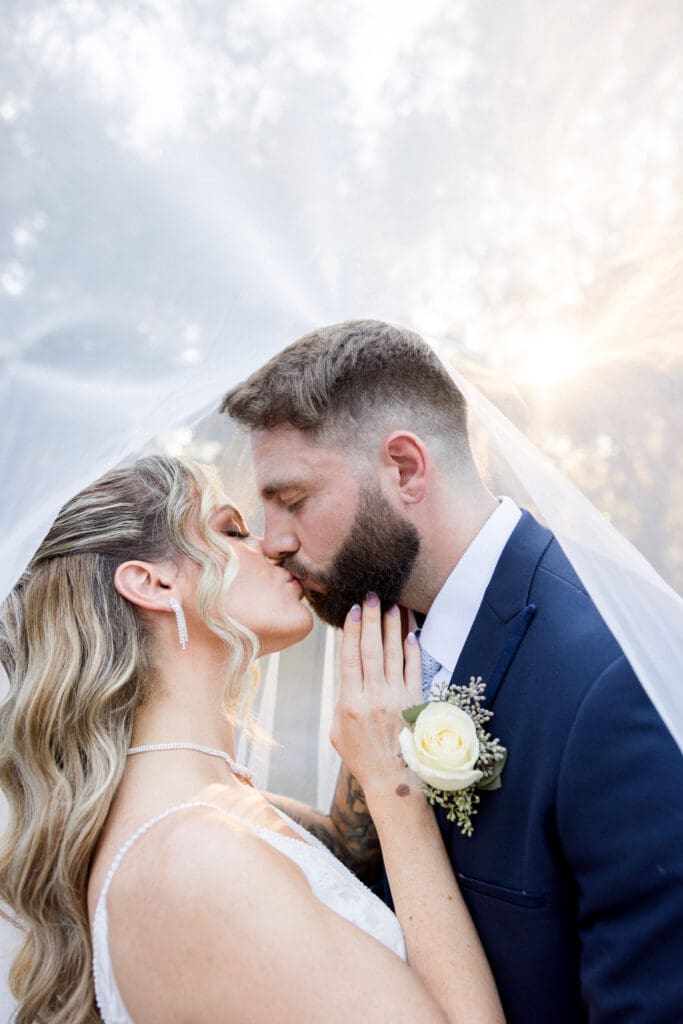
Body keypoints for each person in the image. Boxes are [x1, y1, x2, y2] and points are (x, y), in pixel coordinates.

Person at [222, 318, 683, 1024]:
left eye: (293, 501)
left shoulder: (607, 684)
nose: (273, 541)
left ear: (404, 468)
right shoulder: (393, 644)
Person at [0, 454, 505, 1024]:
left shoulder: (210, 812)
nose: (271, 546)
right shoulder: (194, 862)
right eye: (231, 531)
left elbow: (348, 845)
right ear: (153, 582)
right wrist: (393, 785)